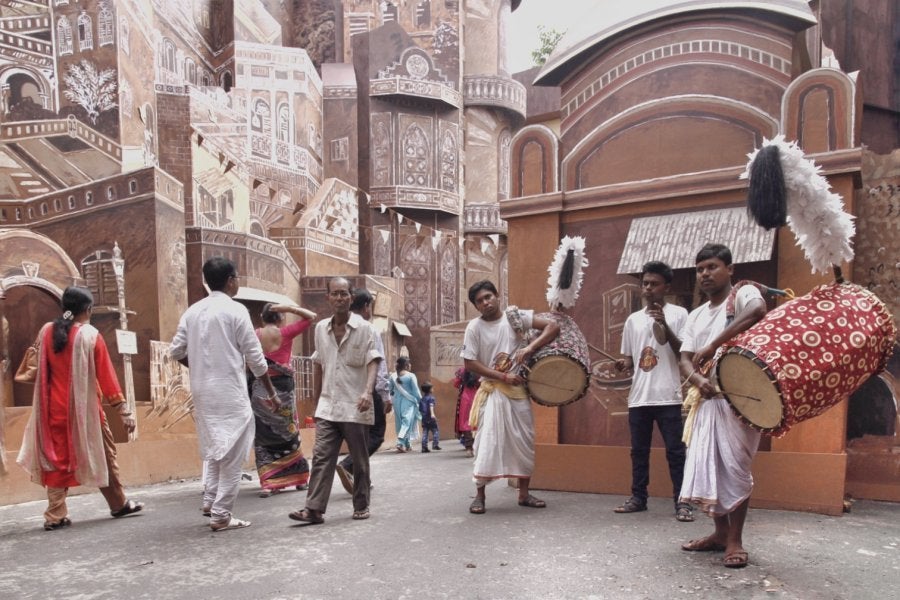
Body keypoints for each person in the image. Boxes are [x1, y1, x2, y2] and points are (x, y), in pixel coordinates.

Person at [17, 286, 143, 531]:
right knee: (103, 456)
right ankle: (119, 504)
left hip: (51, 410)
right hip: (84, 413)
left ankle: (55, 515)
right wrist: (123, 410)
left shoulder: (46, 331)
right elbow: (106, 376)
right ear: (88, 309)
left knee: (55, 460)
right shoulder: (90, 335)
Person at [170, 257, 278, 532]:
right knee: (231, 453)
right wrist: (272, 393)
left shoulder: (192, 312)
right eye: (237, 277)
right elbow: (256, 359)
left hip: (203, 391)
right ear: (231, 280)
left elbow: (176, 351)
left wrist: (201, 368)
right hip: (229, 390)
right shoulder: (236, 310)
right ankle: (221, 513)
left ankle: (210, 500)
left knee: (218, 446)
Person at [678, 244, 767, 569]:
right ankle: (718, 533)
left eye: (712, 267)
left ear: (730, 269)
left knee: (736, 468)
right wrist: (697, 381)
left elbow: (757, 311)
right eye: (700, 269)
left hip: (740, 399)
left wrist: (715, 344)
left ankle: (735, 540)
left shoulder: (743, 294)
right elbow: (686, 358)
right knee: (710, 467)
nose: (705, 274)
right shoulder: (695, 315)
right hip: (706, 402)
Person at [461, 280, 560, 514]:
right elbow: (470, 362)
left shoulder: (515, 317)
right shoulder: (474, 328)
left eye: (488, 297)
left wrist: (529, 348)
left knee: (523, 441)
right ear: (476, 306)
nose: (486, 303)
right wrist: (502, 377)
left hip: (518, 393)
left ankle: (524, 494)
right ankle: (480, 496)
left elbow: (553, 327)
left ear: (497, 295)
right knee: (486, 442)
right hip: (493, 391)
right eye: (480, 301)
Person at [288, 277, 381, 525]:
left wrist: (367, 392)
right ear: (327, 297)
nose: (339, 298)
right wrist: (316, 402)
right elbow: (319, 364)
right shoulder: (320, 329)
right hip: (329, 406)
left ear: (351, 297)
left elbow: (374, 360)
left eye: (344, 293)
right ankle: (314, 509)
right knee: (321, 456)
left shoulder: (365, 329)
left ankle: (361, 504)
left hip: (355, 404)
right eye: (335, 294)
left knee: (359, 459)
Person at [614, 261, 692, 521]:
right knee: (638, 451)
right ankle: (638, 497)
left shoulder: (680, 314)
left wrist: (664, 324)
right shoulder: (632, 320)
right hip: (639, 398)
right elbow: (628, 359)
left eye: (654, 283)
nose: (648, 288)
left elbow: (684, 351)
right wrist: (622, 365)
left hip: (669, 395)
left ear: (666, 287)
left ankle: (682, 502)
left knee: (676, 452)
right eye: (645, 283)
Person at [252, 302, 317, 497]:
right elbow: (311, 317)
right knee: (289, 431)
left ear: (262, 319)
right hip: (284, 390)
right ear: (280, 318)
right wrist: (290, 308)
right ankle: (298, 479)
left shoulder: (255, 334)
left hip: (261, 389)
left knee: (263, 434)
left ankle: (268, 482)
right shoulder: (286, 333)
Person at [335, 288, 392, 495]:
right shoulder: (369, 329)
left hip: (345, 390)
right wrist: (384, 394)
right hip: (367, 390)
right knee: (376, 435)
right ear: (366, 306)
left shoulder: (337, 327)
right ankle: (349, 465)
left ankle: (361, 477)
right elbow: (378, 363)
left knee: (360, 435)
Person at [389, 356, 422, 452]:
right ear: (406, 365)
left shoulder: (393, 376)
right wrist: (421, 400)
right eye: (409, 363)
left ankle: (407, 444)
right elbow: (416, 391)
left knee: (400, 422)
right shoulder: (411, 376)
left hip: (396, 401)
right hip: (409, 401)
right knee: (407, 422)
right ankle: (400, 442)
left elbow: (390, 390)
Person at [453, 368, 478, 457]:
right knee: (477, 421)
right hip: (478, 397)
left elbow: (456, 383)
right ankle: (477, 447)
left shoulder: (462, 370)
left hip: (465, 398)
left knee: (465, 423)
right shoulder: (480, 369)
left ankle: (469, 448)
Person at [419, 382, 440, 452]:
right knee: (435, 430)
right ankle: (435, 444)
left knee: (425, 432)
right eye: (432, 388)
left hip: (424, 418)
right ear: (430, 389)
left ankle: (424, 447)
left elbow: (420, 409)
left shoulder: (422, 399)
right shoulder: (431, 398)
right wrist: (432, 414)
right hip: (430, 417)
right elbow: (431, 406)